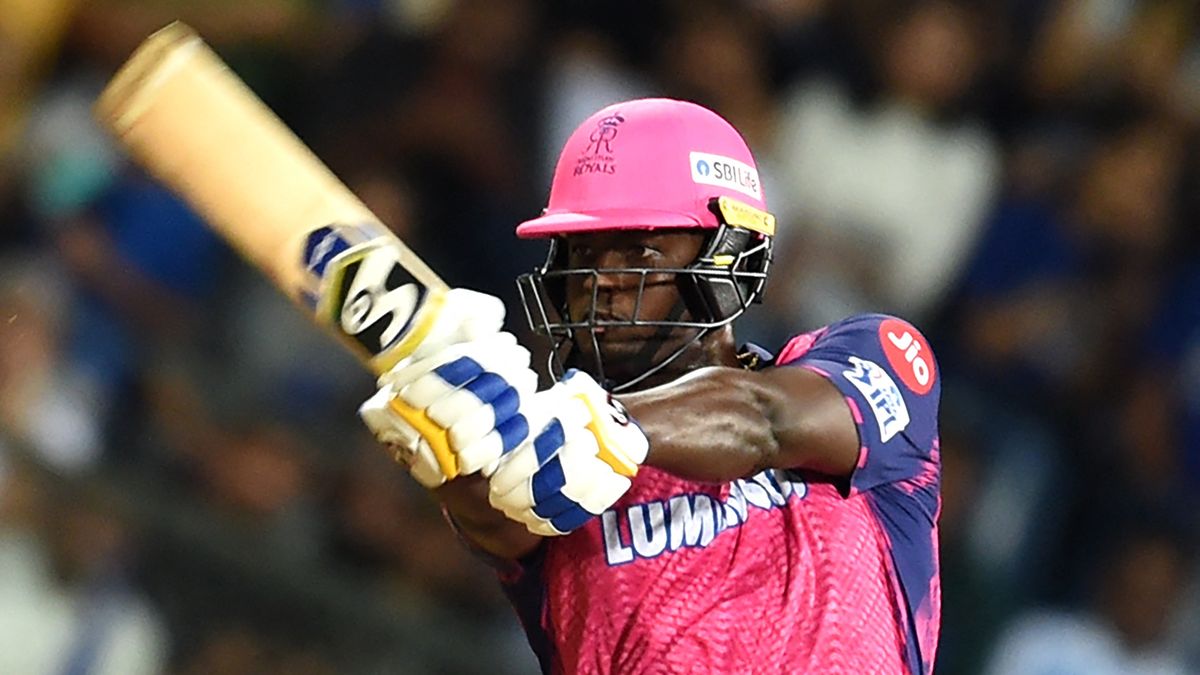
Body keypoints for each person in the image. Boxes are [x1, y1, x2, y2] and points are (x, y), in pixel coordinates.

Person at [359, 98, 942, 674]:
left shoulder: (872, 357)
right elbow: (496, 516)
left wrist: (603, 424)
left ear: (730, 253)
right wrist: (451, 444)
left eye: (639, 250)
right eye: (583, 252)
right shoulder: (544, 446)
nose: (602, 280)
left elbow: (763, 420)